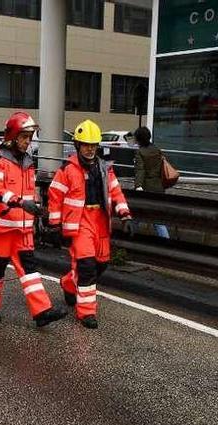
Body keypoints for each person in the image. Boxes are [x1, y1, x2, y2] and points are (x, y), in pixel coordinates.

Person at [0, 111, 67, 328]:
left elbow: (30, 194)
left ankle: (41, 311)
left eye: (29, 137)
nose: (28, 142)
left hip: (22, 230)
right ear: (12, 136)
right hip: (0, 229)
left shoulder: (28, 161)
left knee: (30, 271)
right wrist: (19, 202)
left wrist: (37, 212)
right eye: (24, 137)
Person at [47, 119, 132, 329]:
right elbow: (55, 195)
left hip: (101, 221)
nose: (90, 149)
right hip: (80, 222)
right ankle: (86, 313)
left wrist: (125, 215)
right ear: (77, 145)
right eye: (85, 144)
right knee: (86, 267)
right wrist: (55, 224)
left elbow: (115, 192)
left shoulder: (105, 169)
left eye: (93, 145)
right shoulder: (67, 169)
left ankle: (68, 283)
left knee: (101, 264)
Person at [132, 126, 169, 238]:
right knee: (157, 218)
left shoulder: (140, 152)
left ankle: (127, 238)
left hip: (146, 189)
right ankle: (166, 240)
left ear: (138, 139)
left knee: (138, 215)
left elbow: (140, 170)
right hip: (159, 187)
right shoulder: (157, 150)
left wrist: (138, 186)